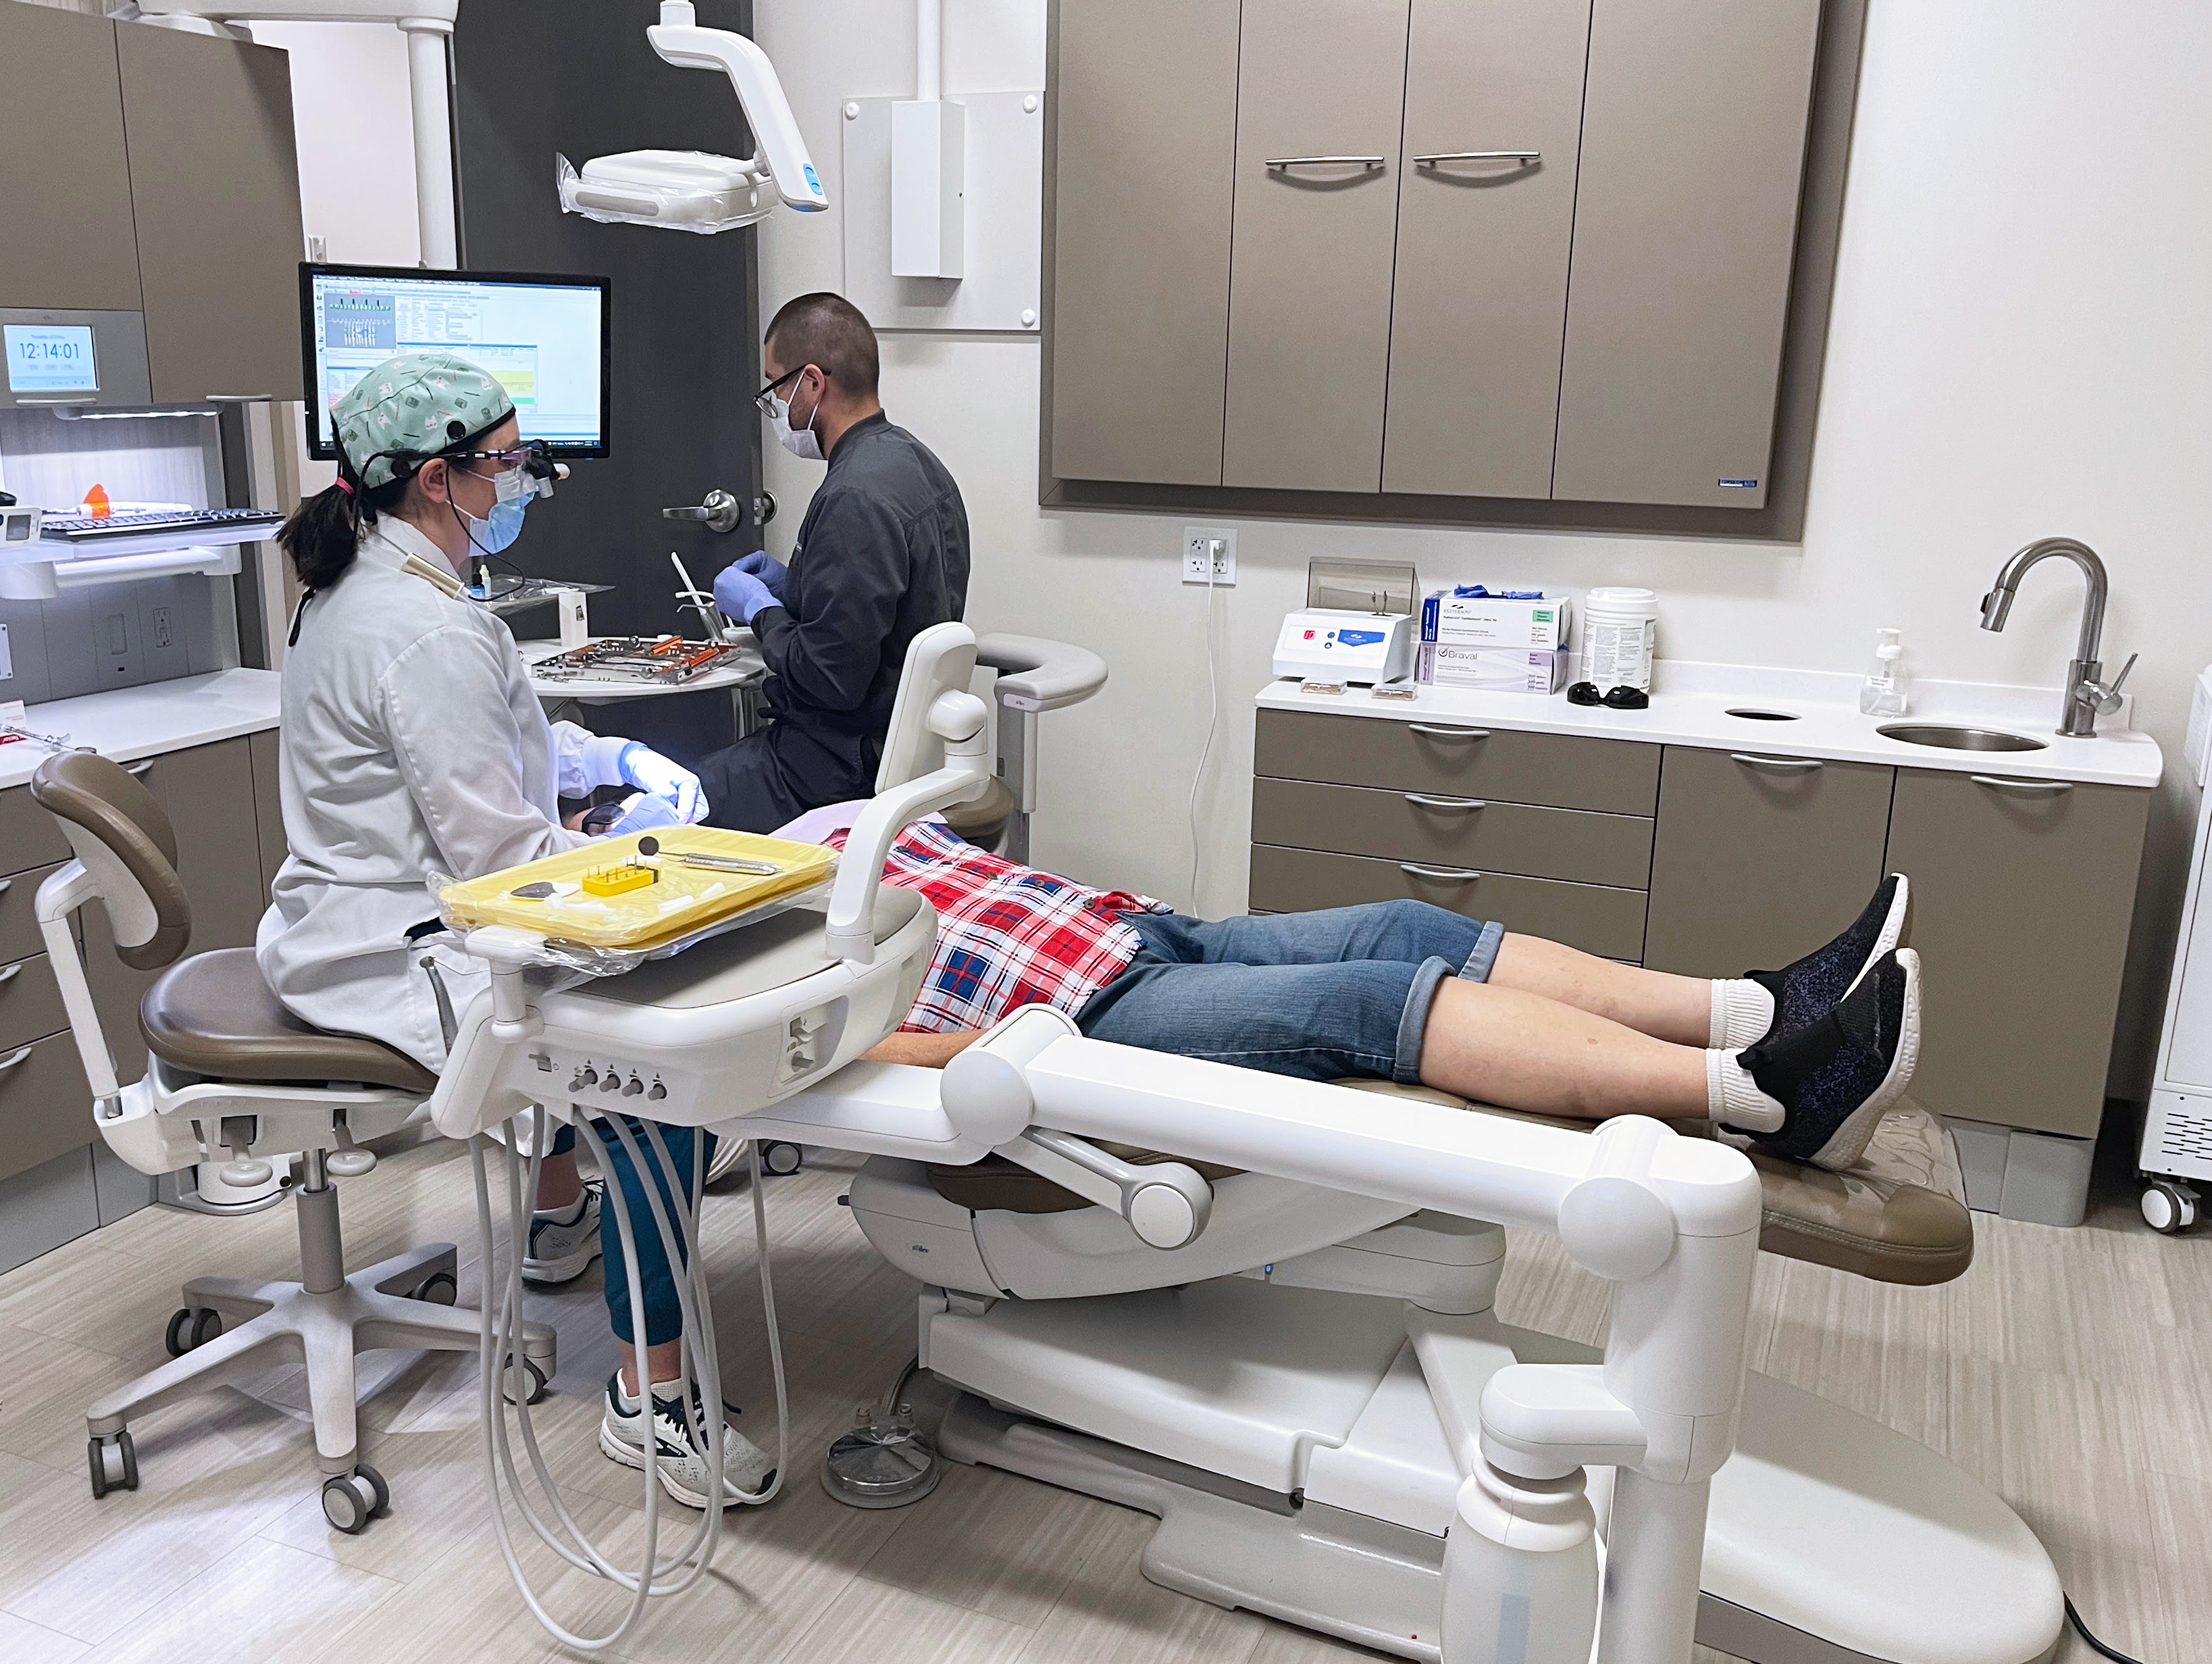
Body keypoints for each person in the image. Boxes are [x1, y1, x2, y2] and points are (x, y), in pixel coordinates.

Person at [536, 805, 1922, 1512]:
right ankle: (1758, 1099)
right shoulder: (709, 964)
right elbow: (833, 1057)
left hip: (1133, 930)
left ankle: (1755, 1007)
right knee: (1366, 1006)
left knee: (1400, 924)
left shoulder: (807, 832)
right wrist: (993, 1060)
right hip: (1080, 1024)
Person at [254, 352, 734, 1494]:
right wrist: (640, 852)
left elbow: (482, 748)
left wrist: (605, 758)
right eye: (510, 462)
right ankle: (651, 1398)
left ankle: (559, 1223)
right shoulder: (417, 629)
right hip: (405, 953)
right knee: (656, 1063)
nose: (525, 481)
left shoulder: (374, 583)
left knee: (613, 981)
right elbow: (505, 866)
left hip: (360, 918)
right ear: (438, 477)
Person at [696, 294, 971, 832]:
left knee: (644, 806)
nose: (774, 405)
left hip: (828, 773)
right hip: (885, 754)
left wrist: (760, 611)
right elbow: (882, 612)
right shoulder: (917, 464)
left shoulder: (853, 498)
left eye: (775, 386)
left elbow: (828, 679)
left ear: (812, 383)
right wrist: (794, 586)